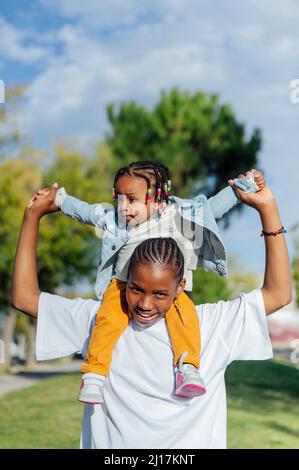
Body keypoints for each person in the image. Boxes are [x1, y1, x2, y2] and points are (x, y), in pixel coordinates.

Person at [11, 178, 292, 449]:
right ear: (124, 279)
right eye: (135, 288)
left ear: (181, 286)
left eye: (160, 294)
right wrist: (32, 217)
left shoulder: (206, 325)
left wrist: (267, 208)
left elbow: (279, 295)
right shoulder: (102, 321)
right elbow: (24, 298)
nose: (145, 304)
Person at [33, 161, 263, 404]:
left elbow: (213, 207)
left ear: (157, 198)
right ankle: (95, 374)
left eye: (131, 200)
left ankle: (188, 368)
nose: (123, 208)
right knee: (107, 320)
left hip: (169, 292)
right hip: (123, 286)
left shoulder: (180, 216)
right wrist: (59, 199)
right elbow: (87, 211)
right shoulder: (115, 221)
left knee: (186, 319)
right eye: (118, 198)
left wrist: (244, 185)